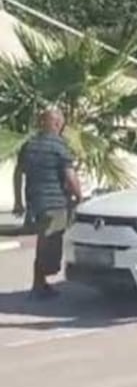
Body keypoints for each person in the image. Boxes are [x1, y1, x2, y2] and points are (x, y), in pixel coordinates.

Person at [12, 107, 83, 299]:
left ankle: (39, 284)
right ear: (57, 123)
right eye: (60, 123)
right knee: (50, 243)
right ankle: (39, 284)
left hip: (34, 204)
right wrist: (80, 197)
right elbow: (70, 176)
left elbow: (18, 174)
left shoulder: (29, 145)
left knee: (43, 242)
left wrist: (18, 201)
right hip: (55, 203)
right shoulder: (59, 146)